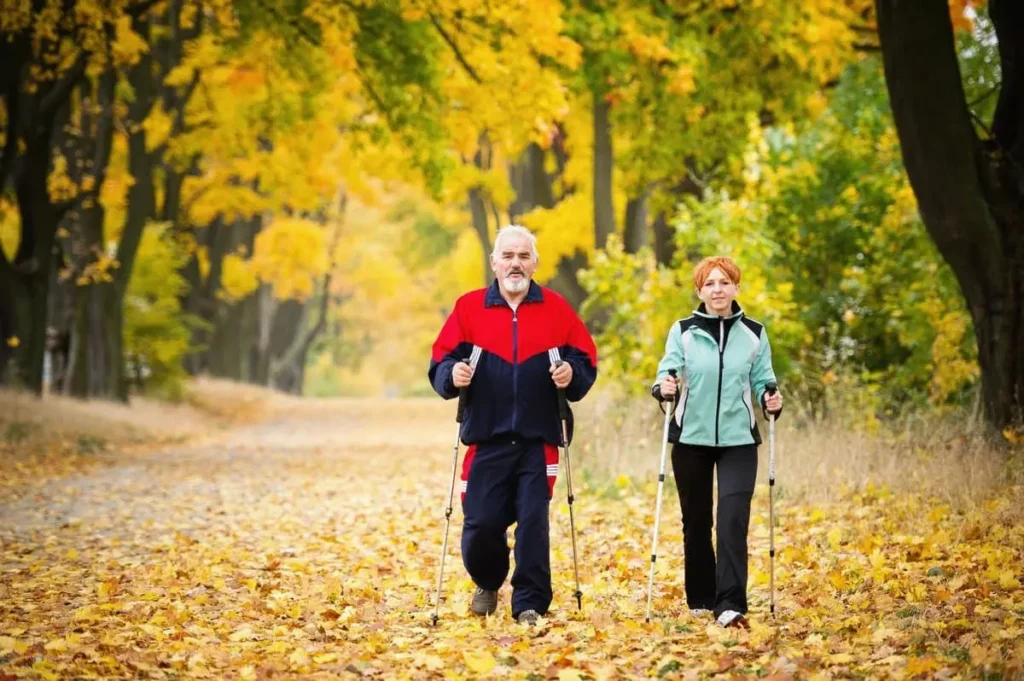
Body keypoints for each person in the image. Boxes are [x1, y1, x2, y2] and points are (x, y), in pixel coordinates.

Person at [428, 225, 598, 625]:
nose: (515, 264)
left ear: (535, 263)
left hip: (539, 439)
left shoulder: (556, 309)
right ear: (494, 263)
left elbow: (585, 359)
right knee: (481, 523)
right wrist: (452, 375)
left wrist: (571, 374)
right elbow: (440, 360)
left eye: (523, 256)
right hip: (486, 437)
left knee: (533, 523)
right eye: (508, 256)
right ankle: (488, 581)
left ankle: (529, 604)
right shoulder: (469, 308)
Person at [651, 256, 783, 628]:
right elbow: (666, 371)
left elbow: (764, 380)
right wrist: (664, 387)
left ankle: (730, 603)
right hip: (690, 439)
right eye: (709, 283)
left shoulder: (754, 333)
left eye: (724, 282)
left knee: (732, 518)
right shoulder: (683, 331)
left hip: (738, 440)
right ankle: (701, 596)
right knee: (696, 522)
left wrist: (770, 398)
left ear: (736, 288)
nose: (718, 289)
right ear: (700, 291)